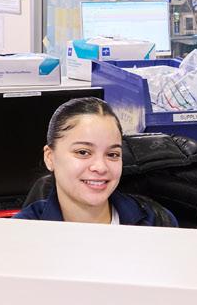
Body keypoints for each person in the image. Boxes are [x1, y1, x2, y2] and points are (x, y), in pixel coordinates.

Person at [14, 97, 178, 227]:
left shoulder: (156, 221)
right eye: (83, 152)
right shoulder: (21, 234)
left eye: (112, 154)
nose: (100, 167)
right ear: (50, 157)